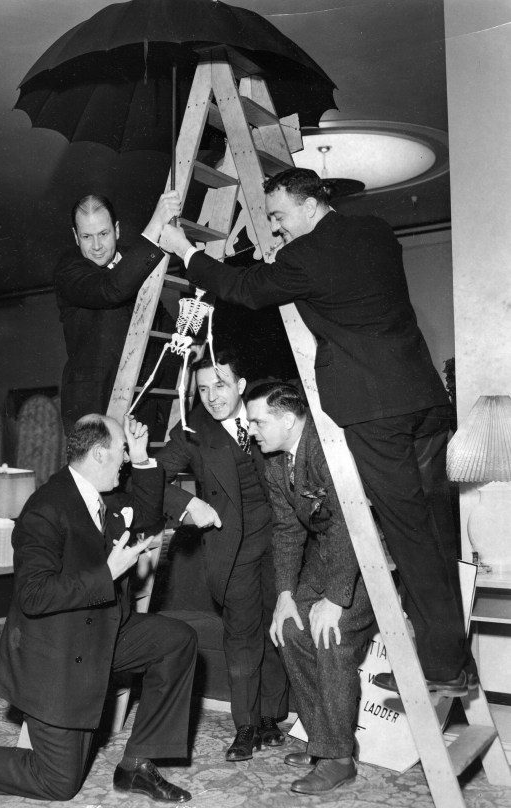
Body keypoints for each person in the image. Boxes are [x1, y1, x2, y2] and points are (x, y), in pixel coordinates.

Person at [158, 167, 472, 696]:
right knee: (434, 530)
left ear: (308, 206)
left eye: (279, 216)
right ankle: (453, 659)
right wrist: (265, 251)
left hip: (376, 411)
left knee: (407, 536)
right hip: (422, 398)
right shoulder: (374, 231)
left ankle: (441, 669)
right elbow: (297, 273)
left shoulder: (304, 257)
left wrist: (186, 251)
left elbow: (245, 289)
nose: (276, 228)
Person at [0, 413, 196, 803]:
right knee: (59, 783)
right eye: (122, 451)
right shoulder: (44, 508)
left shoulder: (101, 495)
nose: (124, 460)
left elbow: (149, 521)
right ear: (100, 454)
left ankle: (136, 765)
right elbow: (34, 595)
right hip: (58, 656)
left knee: (176, 640)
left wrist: (141, 459)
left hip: (103, 633)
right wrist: (107, 573)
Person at [157, 349, 289, 763]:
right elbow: (149, 480)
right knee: (243, 636)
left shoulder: (266, 412)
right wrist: (186, 504)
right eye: (203, 389)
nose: (212, 397)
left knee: (277, 630)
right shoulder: (192, 431)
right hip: (233, 548)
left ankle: (272, 716)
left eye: (221, 385)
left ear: (241, 386)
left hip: (282, 541)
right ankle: (246, 726)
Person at [246, 381, 373, 794]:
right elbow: (286, 532)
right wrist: (285, 596)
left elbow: (348, 524)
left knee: (330, 636)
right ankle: (325, 741)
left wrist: (336, 600)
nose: (252, 430)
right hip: (326, 559)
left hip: (370, 560)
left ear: (287, 419)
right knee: (288, 628)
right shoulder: (275, 463)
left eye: (258, 421)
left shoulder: (326, 448)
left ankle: (338, 758)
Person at [55, 190, 181, 434]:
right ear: (75, 236)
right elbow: (111, 289)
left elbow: (160, 321)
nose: (97, 246)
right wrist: (156, 223)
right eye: (87, 236)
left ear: (117, 229)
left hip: (143, 404)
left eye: (104, 233)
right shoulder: (68, 268)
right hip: (93, 407)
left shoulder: (135, 260)